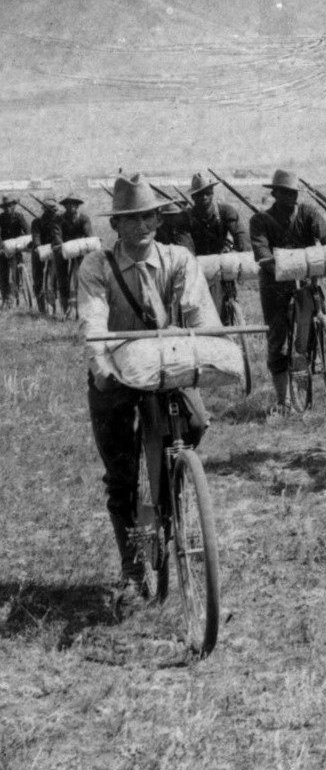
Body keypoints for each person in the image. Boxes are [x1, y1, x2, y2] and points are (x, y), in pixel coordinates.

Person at [78, 175, 221, 613]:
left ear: (159, 219)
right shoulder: (96, 266)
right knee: (120, 474)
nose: (142, 224)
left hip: (165, 366)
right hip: (117, 372)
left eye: (149, 215)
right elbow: (94, 323)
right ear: (116, 225)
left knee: (195, 424)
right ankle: (134, 571)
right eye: (131, 218)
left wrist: (206, 344)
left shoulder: (178, 259)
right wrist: (102, 366)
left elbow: (202, 316)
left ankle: (171, 492)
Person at [248, 169, 326, 417]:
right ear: (274, 193)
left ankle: (317, 353)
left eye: (293, 192)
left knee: (317, 311)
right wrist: (280, 269)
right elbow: (262, 254)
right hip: (274, 282)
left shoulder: (308, 214)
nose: (290, 197)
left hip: (306, 278)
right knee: (277, 336)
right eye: (284, 192)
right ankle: (282, 400)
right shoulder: (261, 220)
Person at [186, 173, 252, 321]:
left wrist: (234, 253)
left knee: (226, 310)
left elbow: (243, 240)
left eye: (207, 193)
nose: (204, 197)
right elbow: (185, 247)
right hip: (198, 266)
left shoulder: (226, 212)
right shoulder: (187, 217)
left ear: (212, 193)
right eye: (199, 195)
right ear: (193, 198)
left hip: (222, 265)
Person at [30, 197, 62, 316]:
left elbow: (58, 235)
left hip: (53, 249)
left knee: (55, 274)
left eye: (53, 210)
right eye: (49, 210)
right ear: (44, 210)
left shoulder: (58, 221)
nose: (52, 212)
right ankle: (41, 307)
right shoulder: (37, 222)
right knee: (37, 275)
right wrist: (38, 247)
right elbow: (36, 236)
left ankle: (54, 302)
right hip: (40, 250)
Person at [0, 196, 27, 306]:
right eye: (5, 207)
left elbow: (28, 230)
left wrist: (24, 242)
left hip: (16, 247)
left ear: (14, 206)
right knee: (2, 271)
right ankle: (5, 295)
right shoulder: (1, 218)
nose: (8, 209)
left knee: (15, 269)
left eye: (10, 206)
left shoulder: (19, 217)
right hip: (4, 248)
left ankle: (15, 291)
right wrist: (1, 246)